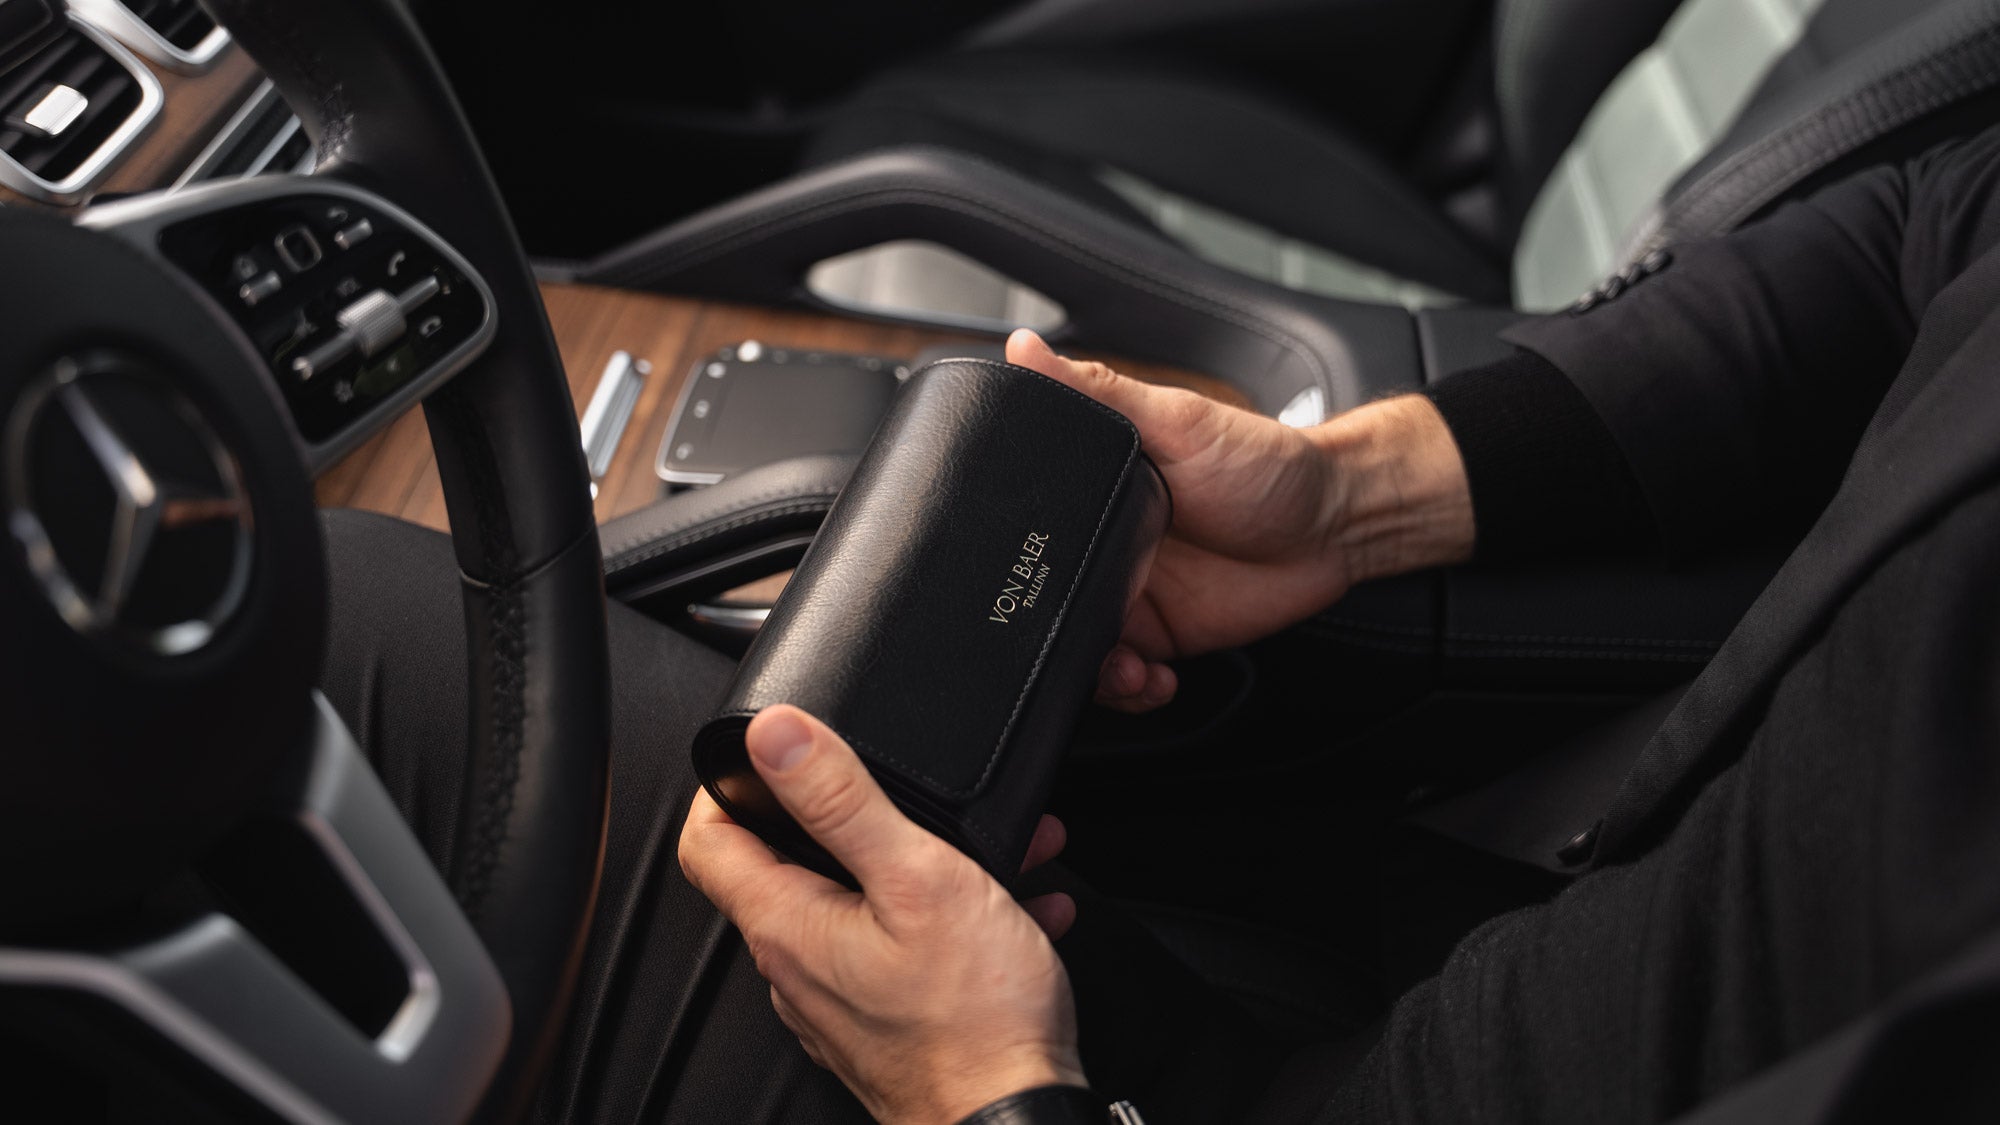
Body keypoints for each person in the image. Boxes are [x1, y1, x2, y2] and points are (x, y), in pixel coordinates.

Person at [324, 122, 2000, 1124]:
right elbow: (1933, 226)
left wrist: (989, 1092)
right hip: (1474, 942)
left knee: (343, 646)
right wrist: (1360, 494)